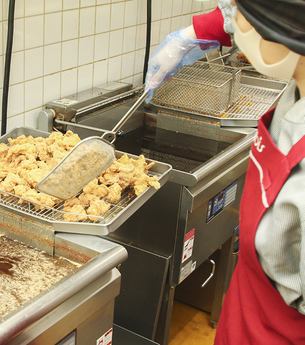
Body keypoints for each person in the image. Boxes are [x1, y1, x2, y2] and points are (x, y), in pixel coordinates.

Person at [146, 0, 305, 343]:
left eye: (240, 9)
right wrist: (191, 35)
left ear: (284, 24)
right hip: (243, 320)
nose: (232, 18)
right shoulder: (297, 91)